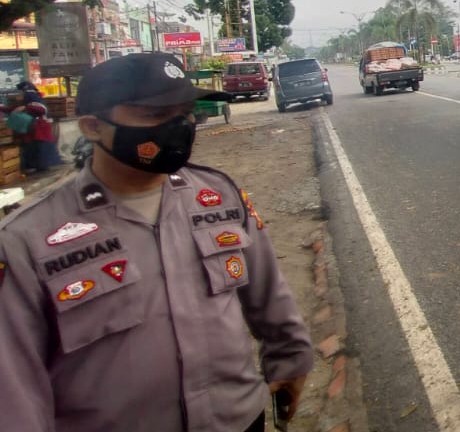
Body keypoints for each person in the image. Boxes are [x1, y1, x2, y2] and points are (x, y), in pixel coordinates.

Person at [0, 53, 313, 432]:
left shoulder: (219, 196)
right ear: (93, 127)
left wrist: (291, 358)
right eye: (153, 115)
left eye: (184, 112)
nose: (178, 127)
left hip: (236, 419)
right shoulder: (27, 240)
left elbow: (268, 291)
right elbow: (13, 384)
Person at [3, 91, 62, 174]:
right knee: (31, 150)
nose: (21, 98)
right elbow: (11, 110)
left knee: (40, 151)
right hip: (31, 134)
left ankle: (42, 167)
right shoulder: (24, 106)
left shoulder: (38, 105)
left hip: (39, 133)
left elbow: (42, 110)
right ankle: (35, 167)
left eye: (23, 96)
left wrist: (26, 107)